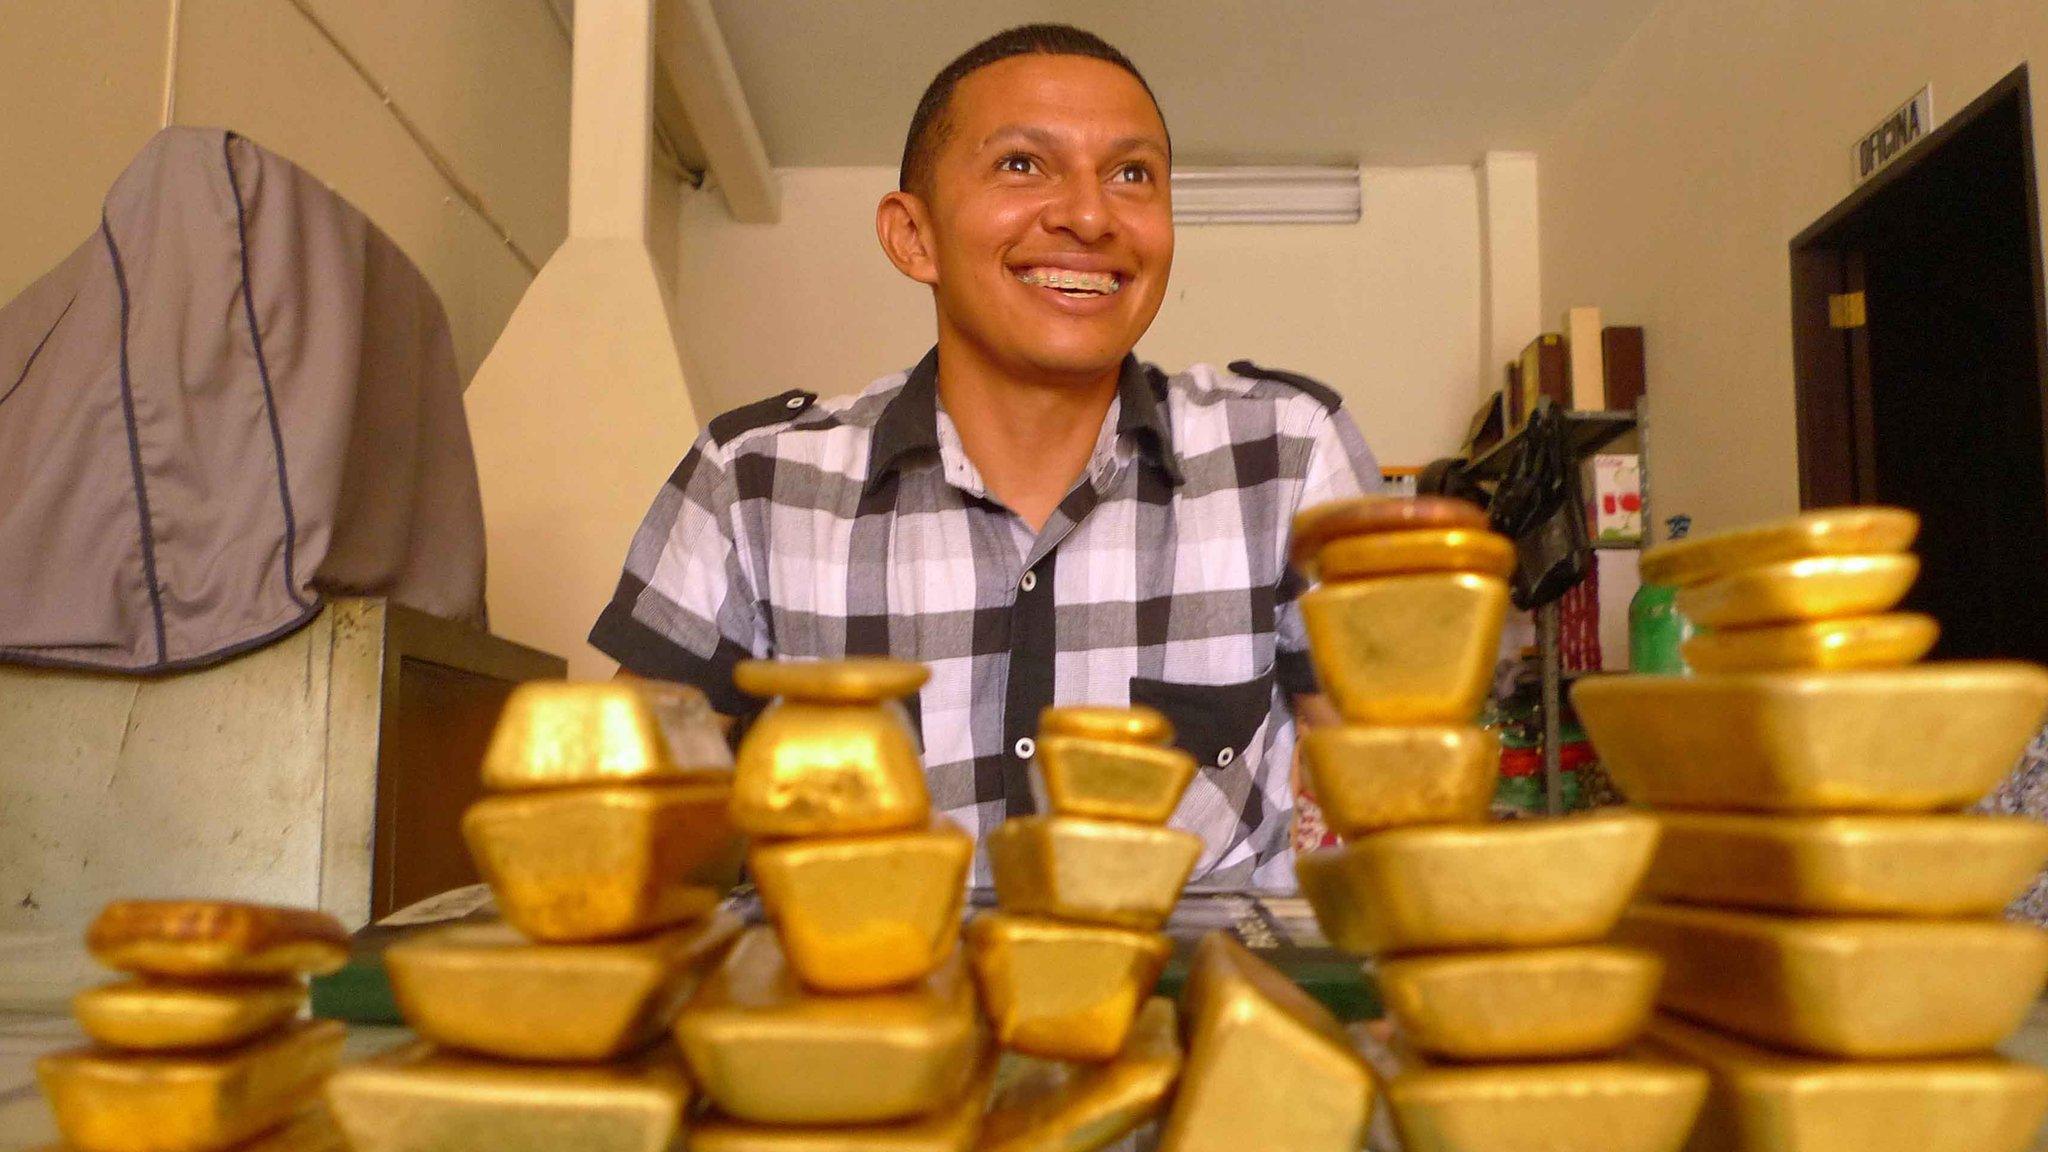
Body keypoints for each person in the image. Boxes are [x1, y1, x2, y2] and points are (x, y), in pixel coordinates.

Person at [589, 24, 1380, 887]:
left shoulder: (1288, 454)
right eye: (1021, 165)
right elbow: (622, 831)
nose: (1088, 214)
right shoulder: (752, 480)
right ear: (913, 237)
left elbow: (1384, 805)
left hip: (1193, 1013)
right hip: (874, 1011)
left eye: (1131, 174)